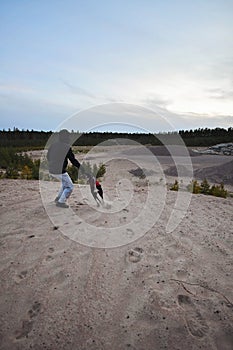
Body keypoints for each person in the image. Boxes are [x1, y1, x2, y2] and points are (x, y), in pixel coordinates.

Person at [47, 129, 81, 208]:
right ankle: (61, 202)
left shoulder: (53, 145)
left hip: (51, 169)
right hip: (60, 171)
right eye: (68, 136)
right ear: (66, 137)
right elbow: (73, 160)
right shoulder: (67, 147)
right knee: (70, 186)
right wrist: (81, 168)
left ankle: (58, 198)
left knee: (65, 184)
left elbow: (48, 156)